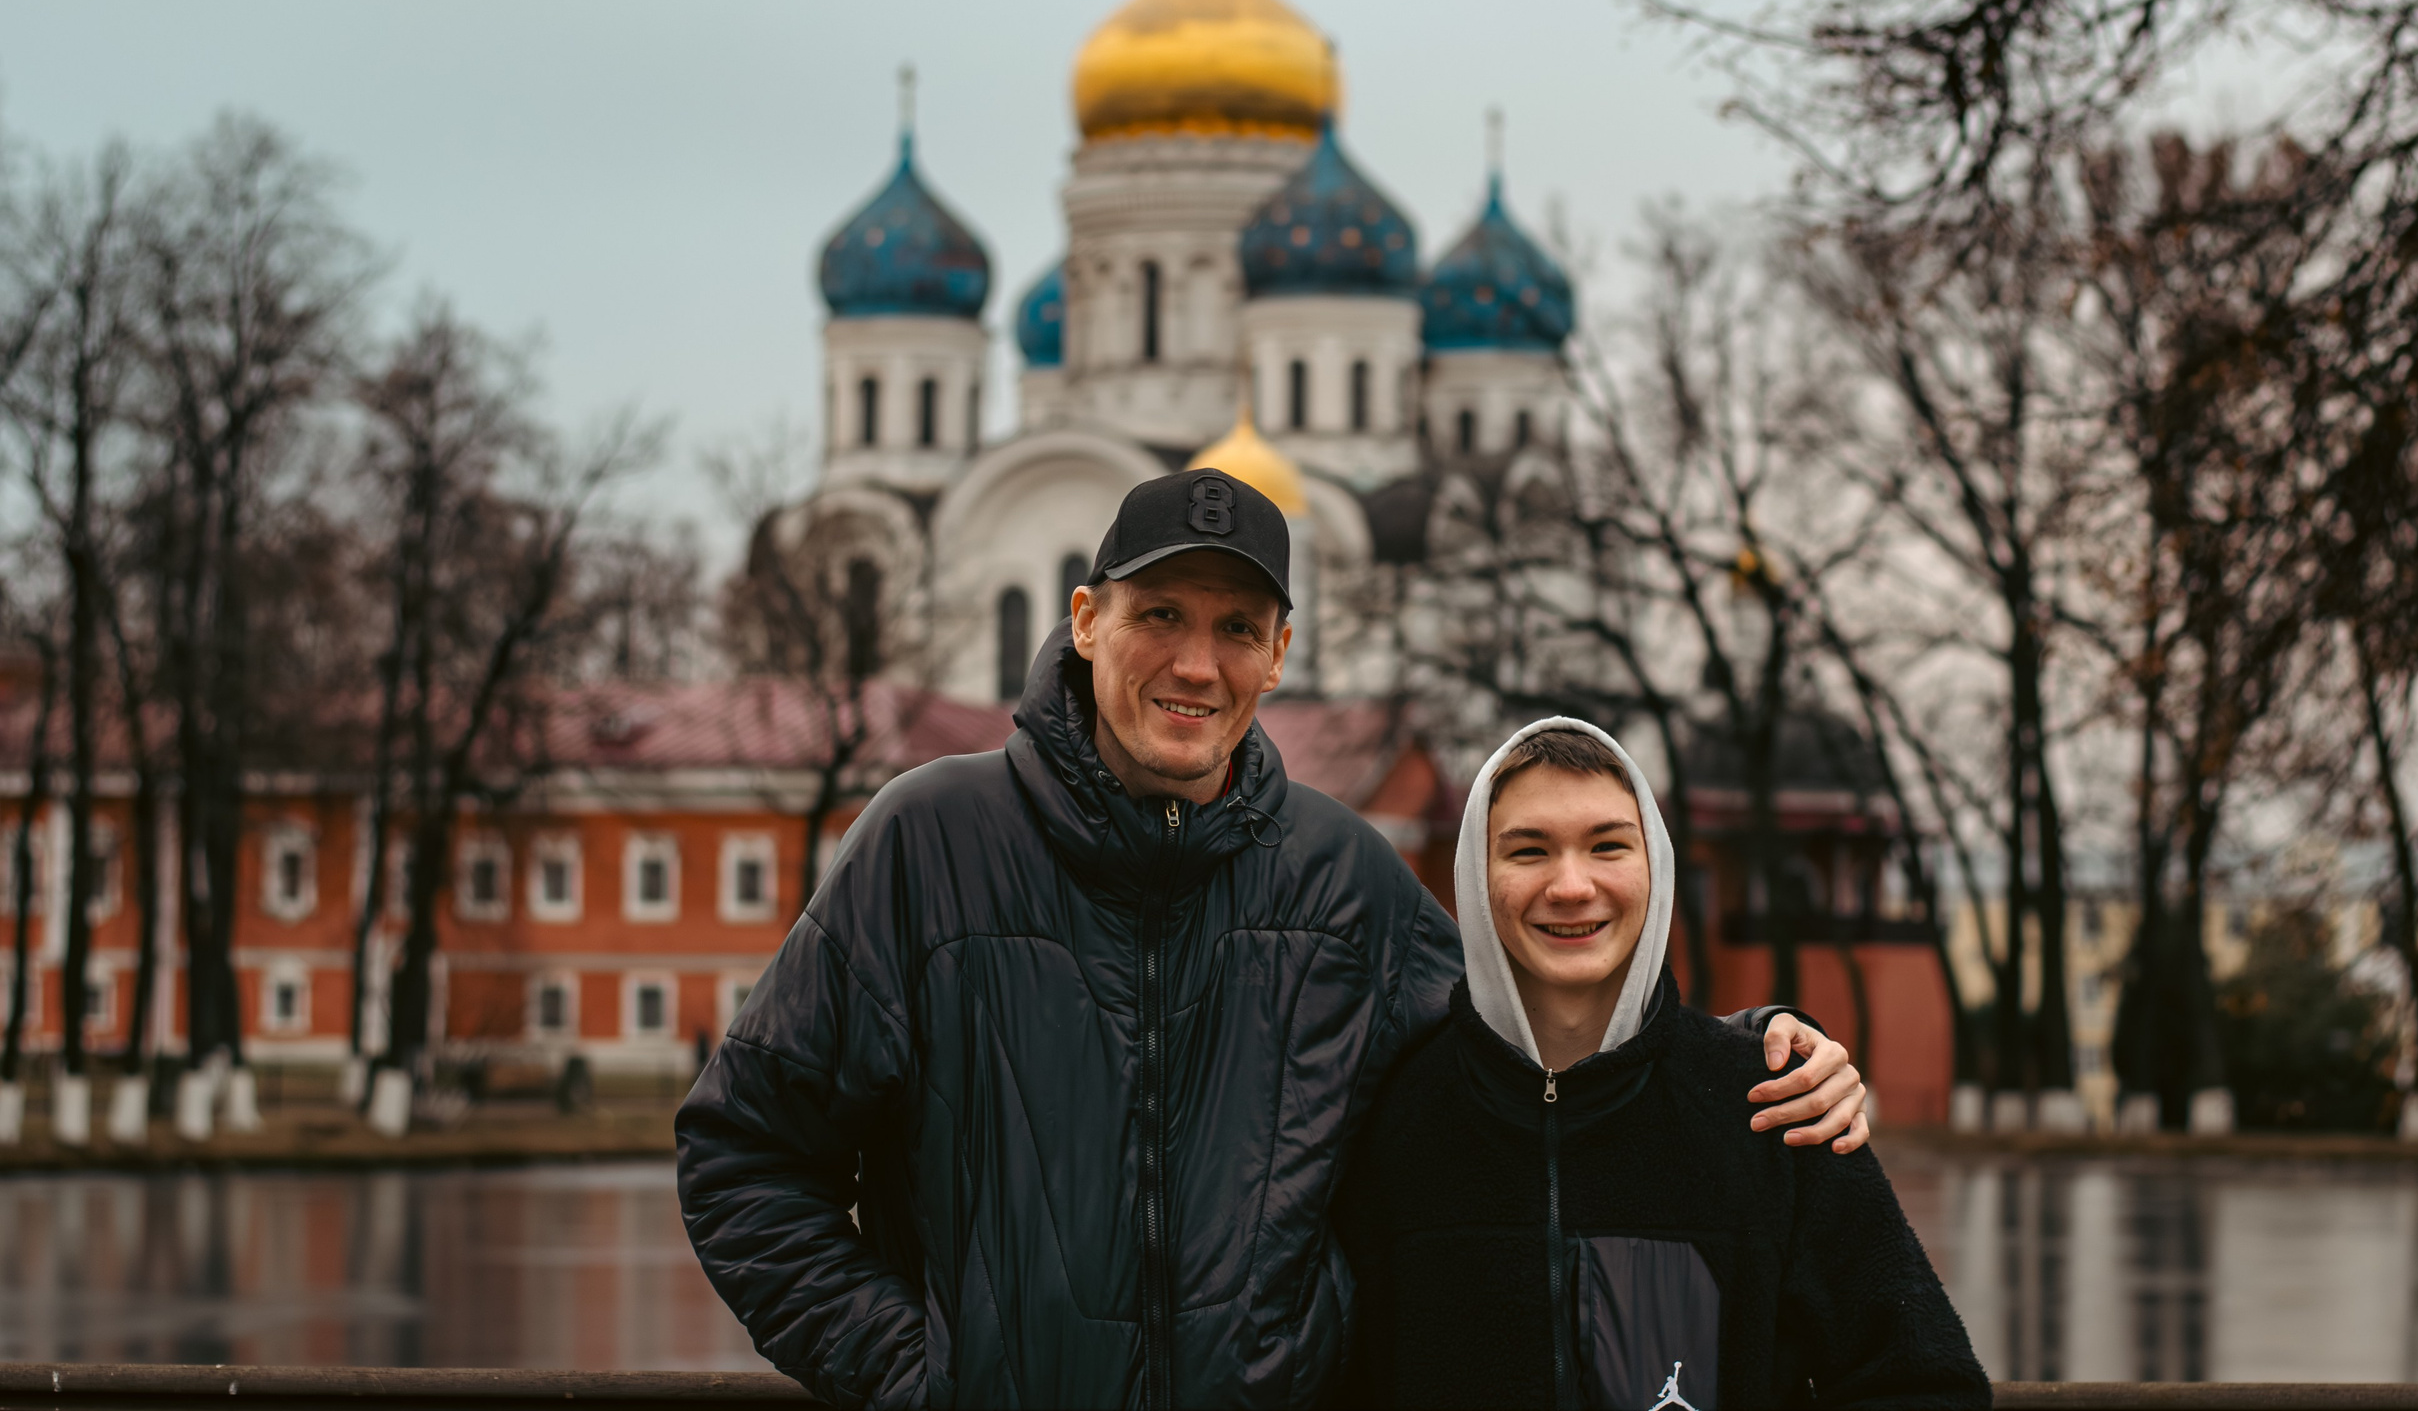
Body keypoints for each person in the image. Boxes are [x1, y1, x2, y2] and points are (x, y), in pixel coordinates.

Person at [676, 470, 1871, 1409]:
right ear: (1087, 621)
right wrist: (916, 1370)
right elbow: (743, 1156)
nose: (1197, 662)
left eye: (1238, 627)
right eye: (1160, 615)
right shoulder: (933, 842)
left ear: (1281, 653)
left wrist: (1750, 1050)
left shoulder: (1339, 876)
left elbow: (1534, 1053)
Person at [1339, 720, 1989, 1409]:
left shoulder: (1776, 1112)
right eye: (1528, 851)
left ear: (1657, 866)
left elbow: (1922, 1383)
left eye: (1608, 846)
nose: (1571, 885)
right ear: (1475, 877)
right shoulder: (1392, 1118)